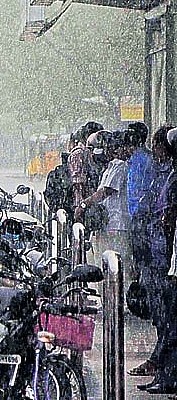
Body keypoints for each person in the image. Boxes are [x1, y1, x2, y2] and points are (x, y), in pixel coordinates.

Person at [129, 125, 174, 380]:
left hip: (160, 255)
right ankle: (160, 362)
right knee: (160, 314)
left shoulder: (167, 175)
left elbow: (158, 214)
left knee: (165, 314)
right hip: (150, 252)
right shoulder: (159, 173)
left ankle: (163, 367)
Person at [78, 130, 135, 265]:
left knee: (117, 265)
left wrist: (84, 205)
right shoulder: (109, 167)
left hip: (117, 225)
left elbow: (105, 191)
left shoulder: (120, 166)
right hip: (107, 225)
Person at [69, 121, 104, 213]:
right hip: (81, 205)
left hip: (90, 204)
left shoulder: (90, 153)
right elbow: (78, 183)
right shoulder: (79, 154)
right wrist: (81, 206)